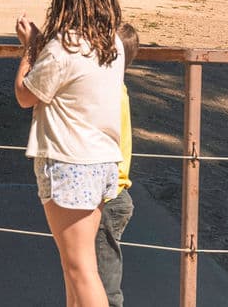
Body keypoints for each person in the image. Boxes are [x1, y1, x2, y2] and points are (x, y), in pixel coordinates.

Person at [13, 0, 125, 307]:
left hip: (68, 162)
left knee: (79, 268)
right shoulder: (113, 45)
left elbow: (25, 94)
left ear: (65, 1)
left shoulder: (64, 48)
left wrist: (31, 47)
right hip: (102, 160)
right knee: (75, 264)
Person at [96, 23, 139, 307]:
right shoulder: (119, 88)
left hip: (109, 197)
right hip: (115, 194)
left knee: (105, 285)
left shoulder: (109, 92)